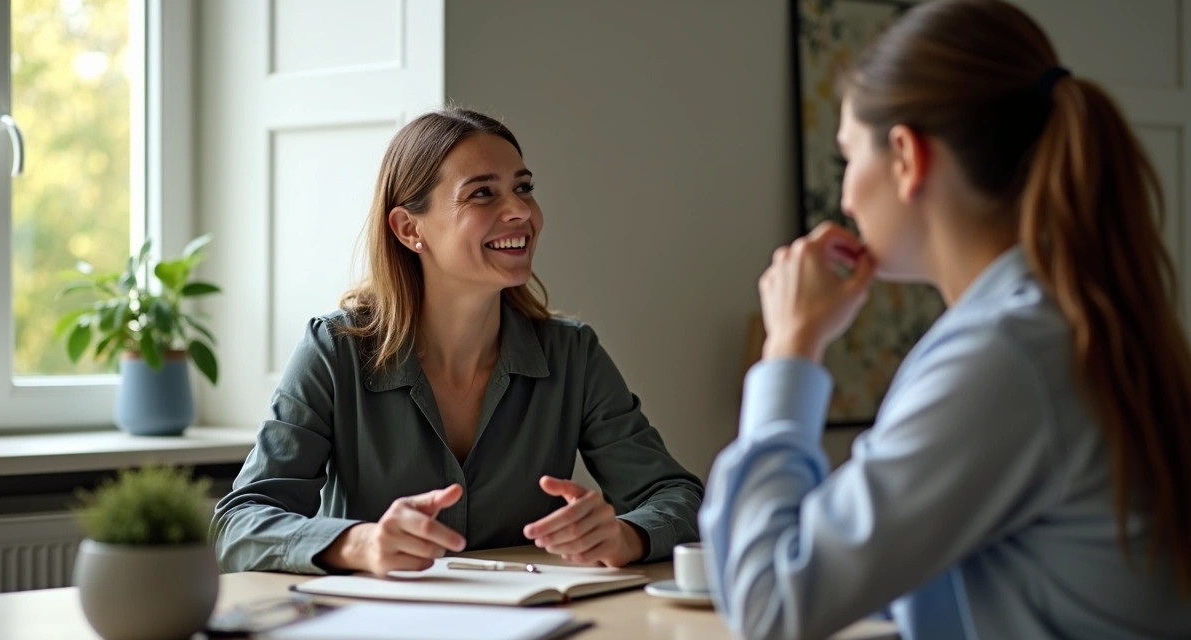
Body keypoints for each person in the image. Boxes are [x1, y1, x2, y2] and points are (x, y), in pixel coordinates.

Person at [699, 1, 1191, 638]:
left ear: (906, 157)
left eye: (848, 159)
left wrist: (790, 349)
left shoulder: (1006, 356)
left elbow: (770, 606)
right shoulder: (1046, 326)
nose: (845, 197)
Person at [212, 108, 702, 576]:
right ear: (409, 228)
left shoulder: (572, 355)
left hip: (531, 617)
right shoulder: (334, 350)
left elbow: (678, 497)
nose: (521, 211)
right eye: (482, 194)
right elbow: (239, 522)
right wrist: (361, 543)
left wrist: (627, 535)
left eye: (524, 188)